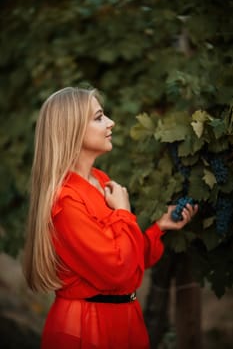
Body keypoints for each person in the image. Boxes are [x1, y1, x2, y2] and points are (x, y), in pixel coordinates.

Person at [23, 86, 198, 349]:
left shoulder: (101, 181)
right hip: (87, 329)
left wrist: (159, 227)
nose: (111, 122)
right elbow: (116, 270)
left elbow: (127, 259)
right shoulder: (65, 202)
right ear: (71, 130)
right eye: (98, 117)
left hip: (124, 321)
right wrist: (123, 212)